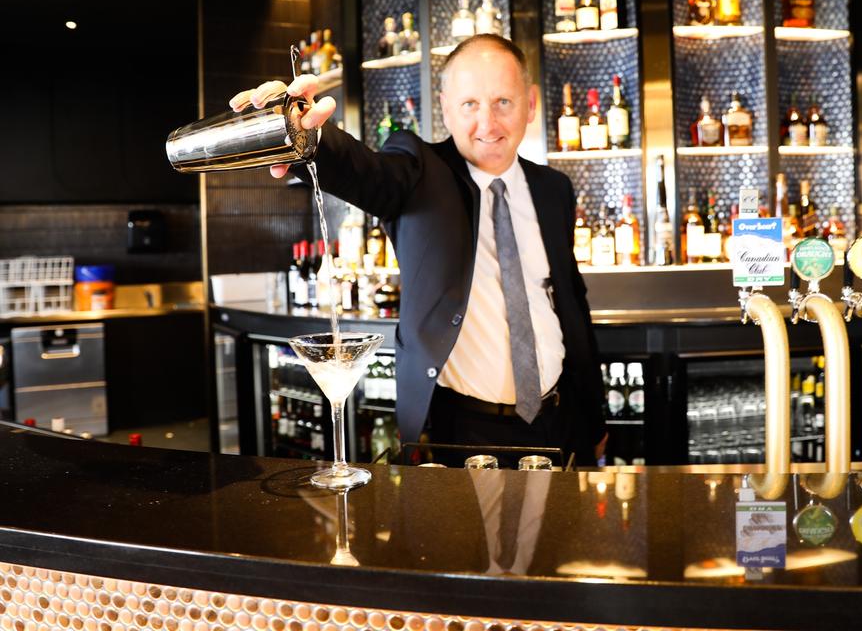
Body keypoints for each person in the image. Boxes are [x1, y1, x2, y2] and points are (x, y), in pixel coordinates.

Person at [231, 34, 608, 465]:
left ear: (531, 103)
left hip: (559, 419)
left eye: (503, 101)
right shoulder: (419, 169)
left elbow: (572, 305)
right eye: (470, 104)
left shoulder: (554, 189)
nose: (487, 124)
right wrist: (304, 135)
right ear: (446, 106)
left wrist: (594, 420)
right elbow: (365, 172)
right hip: (462, 428)